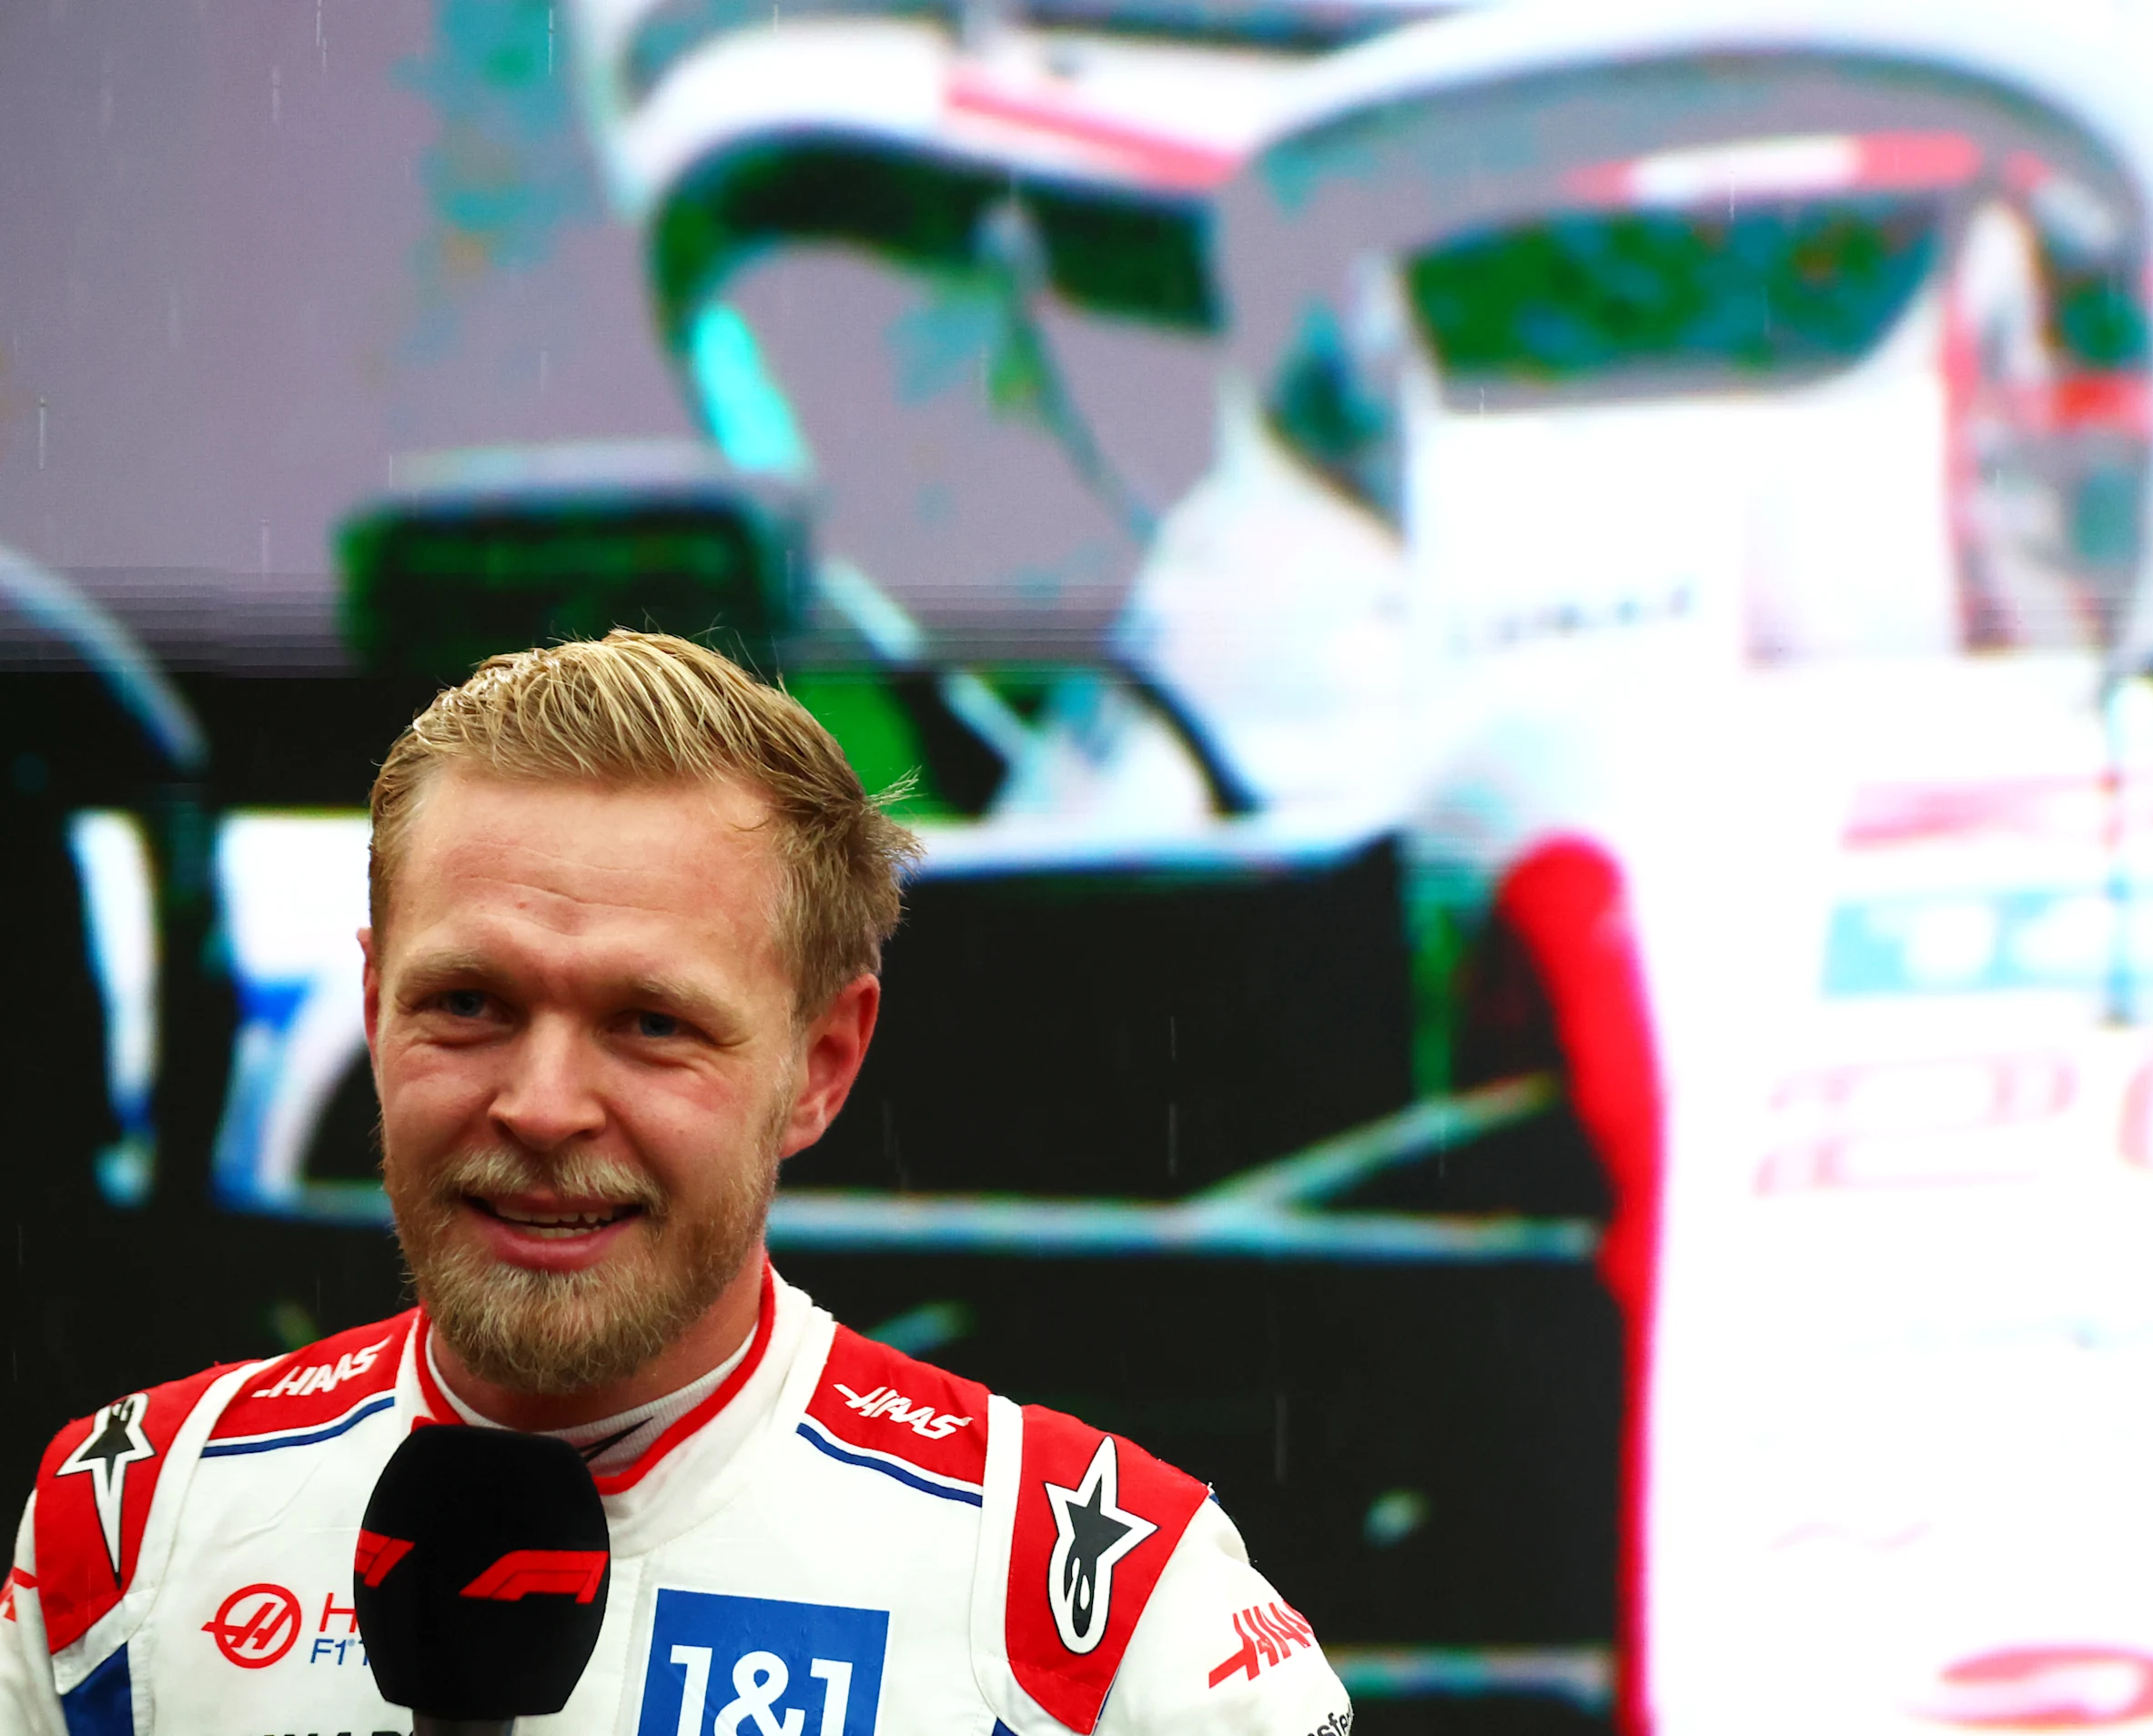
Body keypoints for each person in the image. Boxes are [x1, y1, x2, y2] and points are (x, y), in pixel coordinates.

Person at [0, 632, 1353, 1736]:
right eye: (466, 1002)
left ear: (821, 1066)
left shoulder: (1096, 1609)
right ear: (369, 1002)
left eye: (651, 1023)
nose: (538, 1106)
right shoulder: (128, 1529)